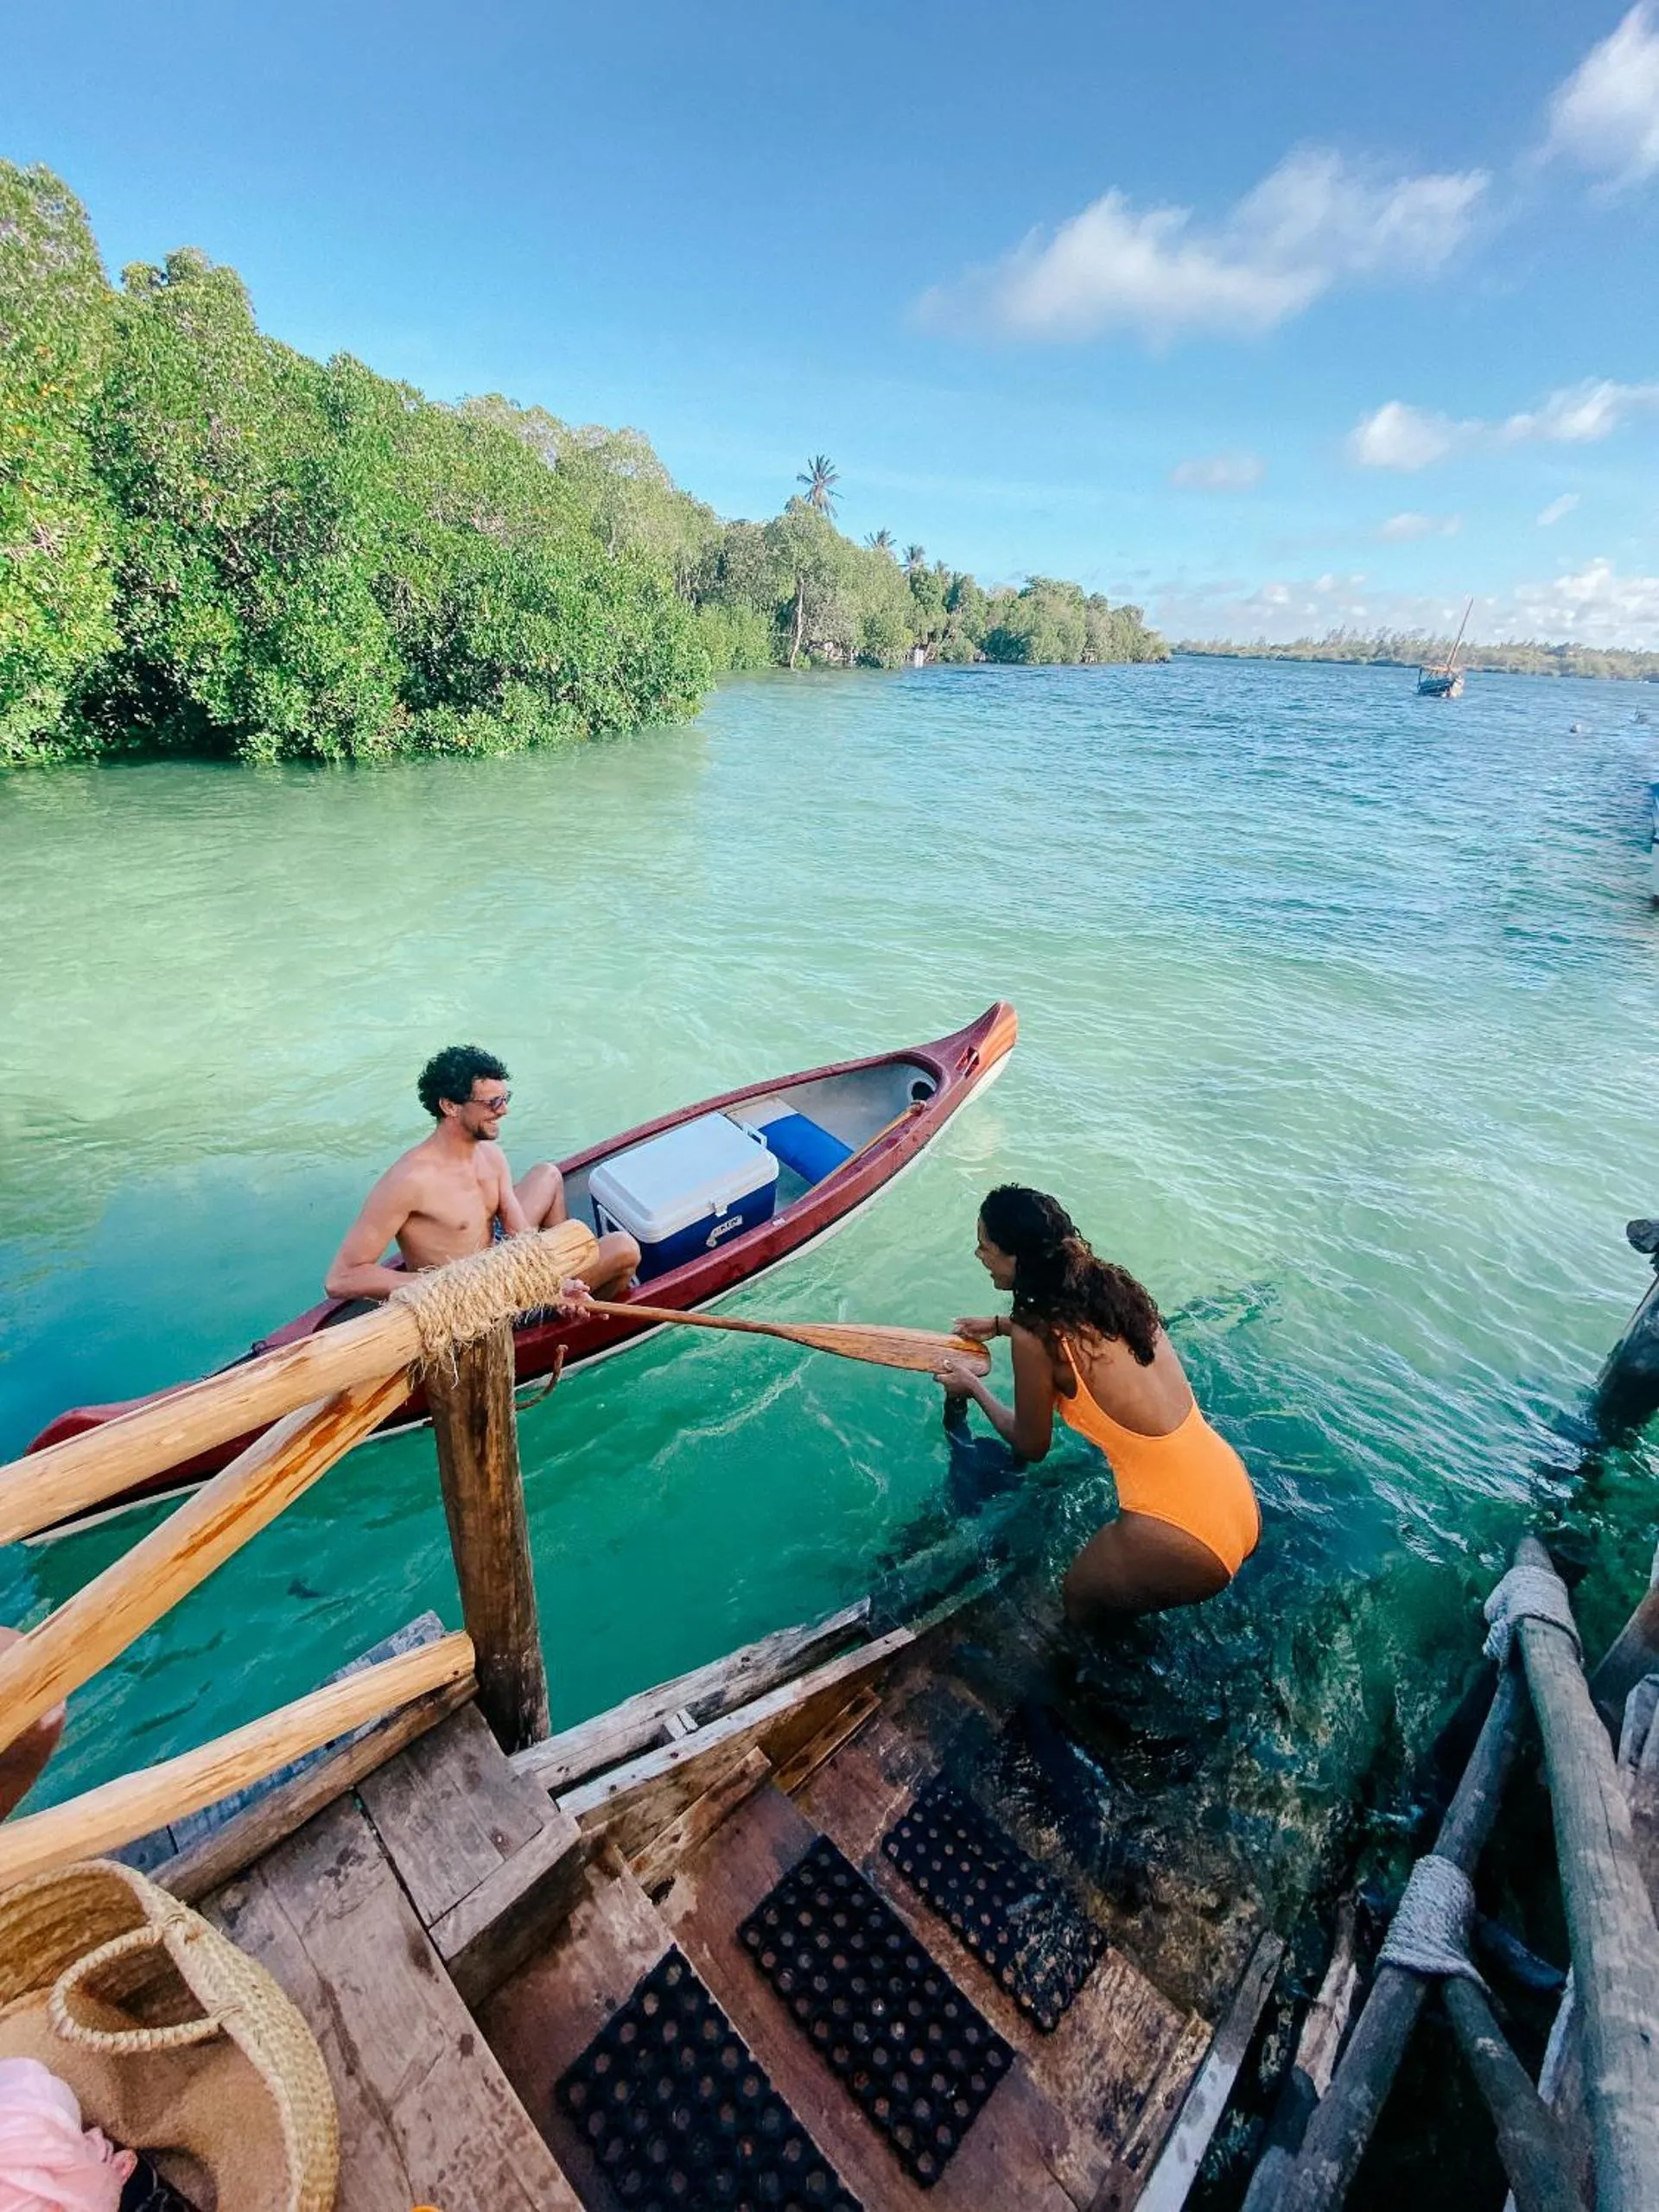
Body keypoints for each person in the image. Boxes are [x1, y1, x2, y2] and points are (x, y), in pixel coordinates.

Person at [934, 1185, 1259, 1629]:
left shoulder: (1036, 1338)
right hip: (1231, 1493)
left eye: (985, 1246)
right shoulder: (1116, 1292)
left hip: (1180, 1532)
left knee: (1076, 1611)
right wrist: (1000, 1325)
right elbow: (1075, 1332)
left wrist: (972, 1387)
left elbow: (1032, 1445)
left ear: (1019, 1258)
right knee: (1111, 1615)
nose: (979, 1255)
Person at [324, 1044, 639, 1304]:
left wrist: (559, 1280)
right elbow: (341, 1277)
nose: (504, 1110)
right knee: (624, 1248)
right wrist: (433, 1285)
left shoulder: (490, 1155)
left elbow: (521, 1238)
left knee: (547, 1174)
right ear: (450, 1106)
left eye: (505, 1098)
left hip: (502, 1262)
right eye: (492, 1103)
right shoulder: (409, 1181)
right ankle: (571, 1317)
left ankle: (570, 1299)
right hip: (476, 1299)